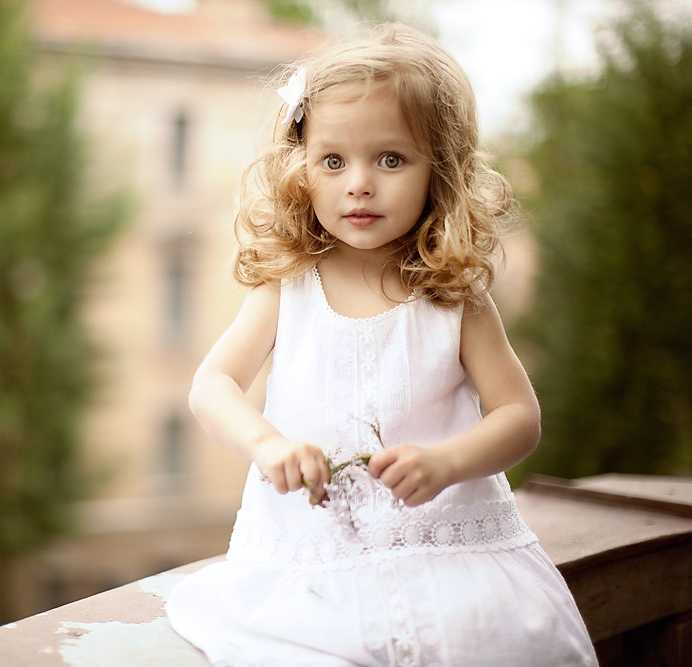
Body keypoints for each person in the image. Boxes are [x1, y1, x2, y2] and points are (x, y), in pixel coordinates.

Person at [165, 22, 598, 667]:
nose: (359, 183)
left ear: (439, 172)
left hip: (446, 551)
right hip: (313, 562)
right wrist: (268, 445)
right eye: (333, 161)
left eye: (390, 159)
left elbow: (519, 417)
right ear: (302, 169)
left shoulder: (453, 297)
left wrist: (448, 462)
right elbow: (212, 387)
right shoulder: (290, 288)